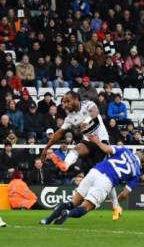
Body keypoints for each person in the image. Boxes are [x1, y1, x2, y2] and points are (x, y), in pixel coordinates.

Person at [40, 91, 123, 220]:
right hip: (89, 142)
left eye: (68, 101)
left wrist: (88, 120)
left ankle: (116, 205)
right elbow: (58, 134)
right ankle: (65, 164)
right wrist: (46, 147)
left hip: (102, 142)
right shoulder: (69, 118)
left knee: (104, 176)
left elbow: (95, 112)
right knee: (77, 148)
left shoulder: (87, 104)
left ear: (76, 100)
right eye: (63, 102)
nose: (65, 104)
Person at [41, 135, 143, 225]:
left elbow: (107, 150)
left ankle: (47, 220)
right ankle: (68, 213)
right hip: (106, 182)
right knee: (86, 207)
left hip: (95, 171)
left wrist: (97, 142)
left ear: (137, 152)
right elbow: (125, 194)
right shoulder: (137, 173)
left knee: (73, 202)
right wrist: (115, 202)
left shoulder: (125, 150)